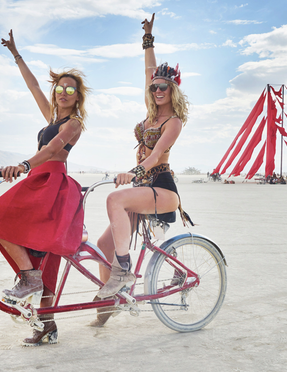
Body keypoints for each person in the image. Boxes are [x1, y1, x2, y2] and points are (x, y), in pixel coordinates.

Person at [0, 29, 90, 346]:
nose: (63, 92)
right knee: (0, 221)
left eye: (70, 89)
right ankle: (42, 310)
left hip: (54, 187)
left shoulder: (74, 123)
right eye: (59, 87)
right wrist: (16, 54)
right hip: (37, 184)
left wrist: (25, 165)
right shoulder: (50, 115)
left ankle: (36, 296)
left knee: (39, 252)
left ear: (77, 96)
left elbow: (53, 148)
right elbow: (32, 85)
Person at [89, 14, 191, 327]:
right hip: (144, 188)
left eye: (163, 86)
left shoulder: (173, 121)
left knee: (115, 200)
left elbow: (157, 154)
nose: (157, 89)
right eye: (154, 86)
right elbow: (149, 70)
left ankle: (123, 271)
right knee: (101, 247)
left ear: (172, 90)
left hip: (162, 188)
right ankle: (109, 305)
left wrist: (133, 172)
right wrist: (148, 38)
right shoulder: (149, 113)